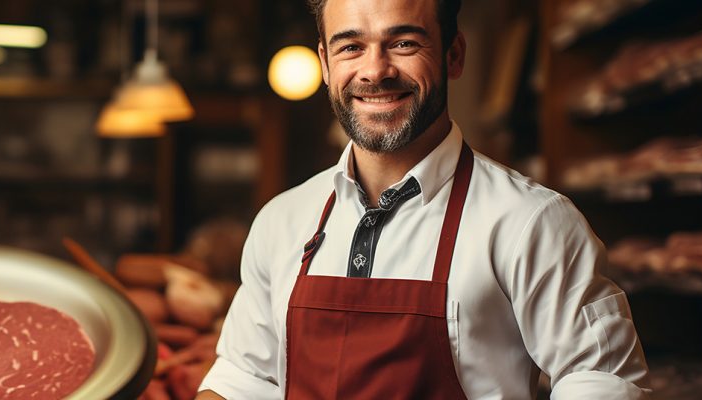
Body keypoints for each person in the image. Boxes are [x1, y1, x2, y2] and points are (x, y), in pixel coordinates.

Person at [197, 0, 651, 398]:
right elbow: (244, 378)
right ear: (325, 63)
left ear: (453, 55)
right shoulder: (282, 220)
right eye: (350, 47)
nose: (375, 71)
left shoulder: (531, 222)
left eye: (403, 43)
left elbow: (601, 380)